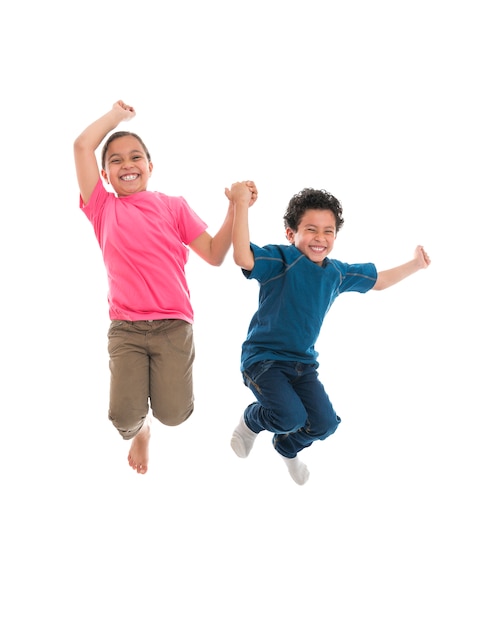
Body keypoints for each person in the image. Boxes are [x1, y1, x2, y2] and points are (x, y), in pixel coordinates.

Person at [74, 100, 257, 475]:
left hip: (174, 326)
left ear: (150, 167)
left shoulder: (173, 207)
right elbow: (81, 146)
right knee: (123, 417)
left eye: (135, 157)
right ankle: (141, 430)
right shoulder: (102, 208)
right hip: (125, 328)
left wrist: (235, 209)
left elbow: (213, 253)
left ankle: (155, 423)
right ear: (105, 174)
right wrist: (116, 118)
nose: (127, 164)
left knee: (174, 415)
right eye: (116, 160)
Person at [227, 182, 431, 485]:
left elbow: (381, 281)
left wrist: (416, 264)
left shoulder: (336, 273)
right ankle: (251, 420)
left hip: (302, 365)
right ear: (290, 233)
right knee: (290, 417)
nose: (319, 238)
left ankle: (287, 446)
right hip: (263, 361)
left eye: (328, 231)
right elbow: (243, 257)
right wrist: (241, 205)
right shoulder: (282, 260)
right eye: (310, 229)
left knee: (324, 424)